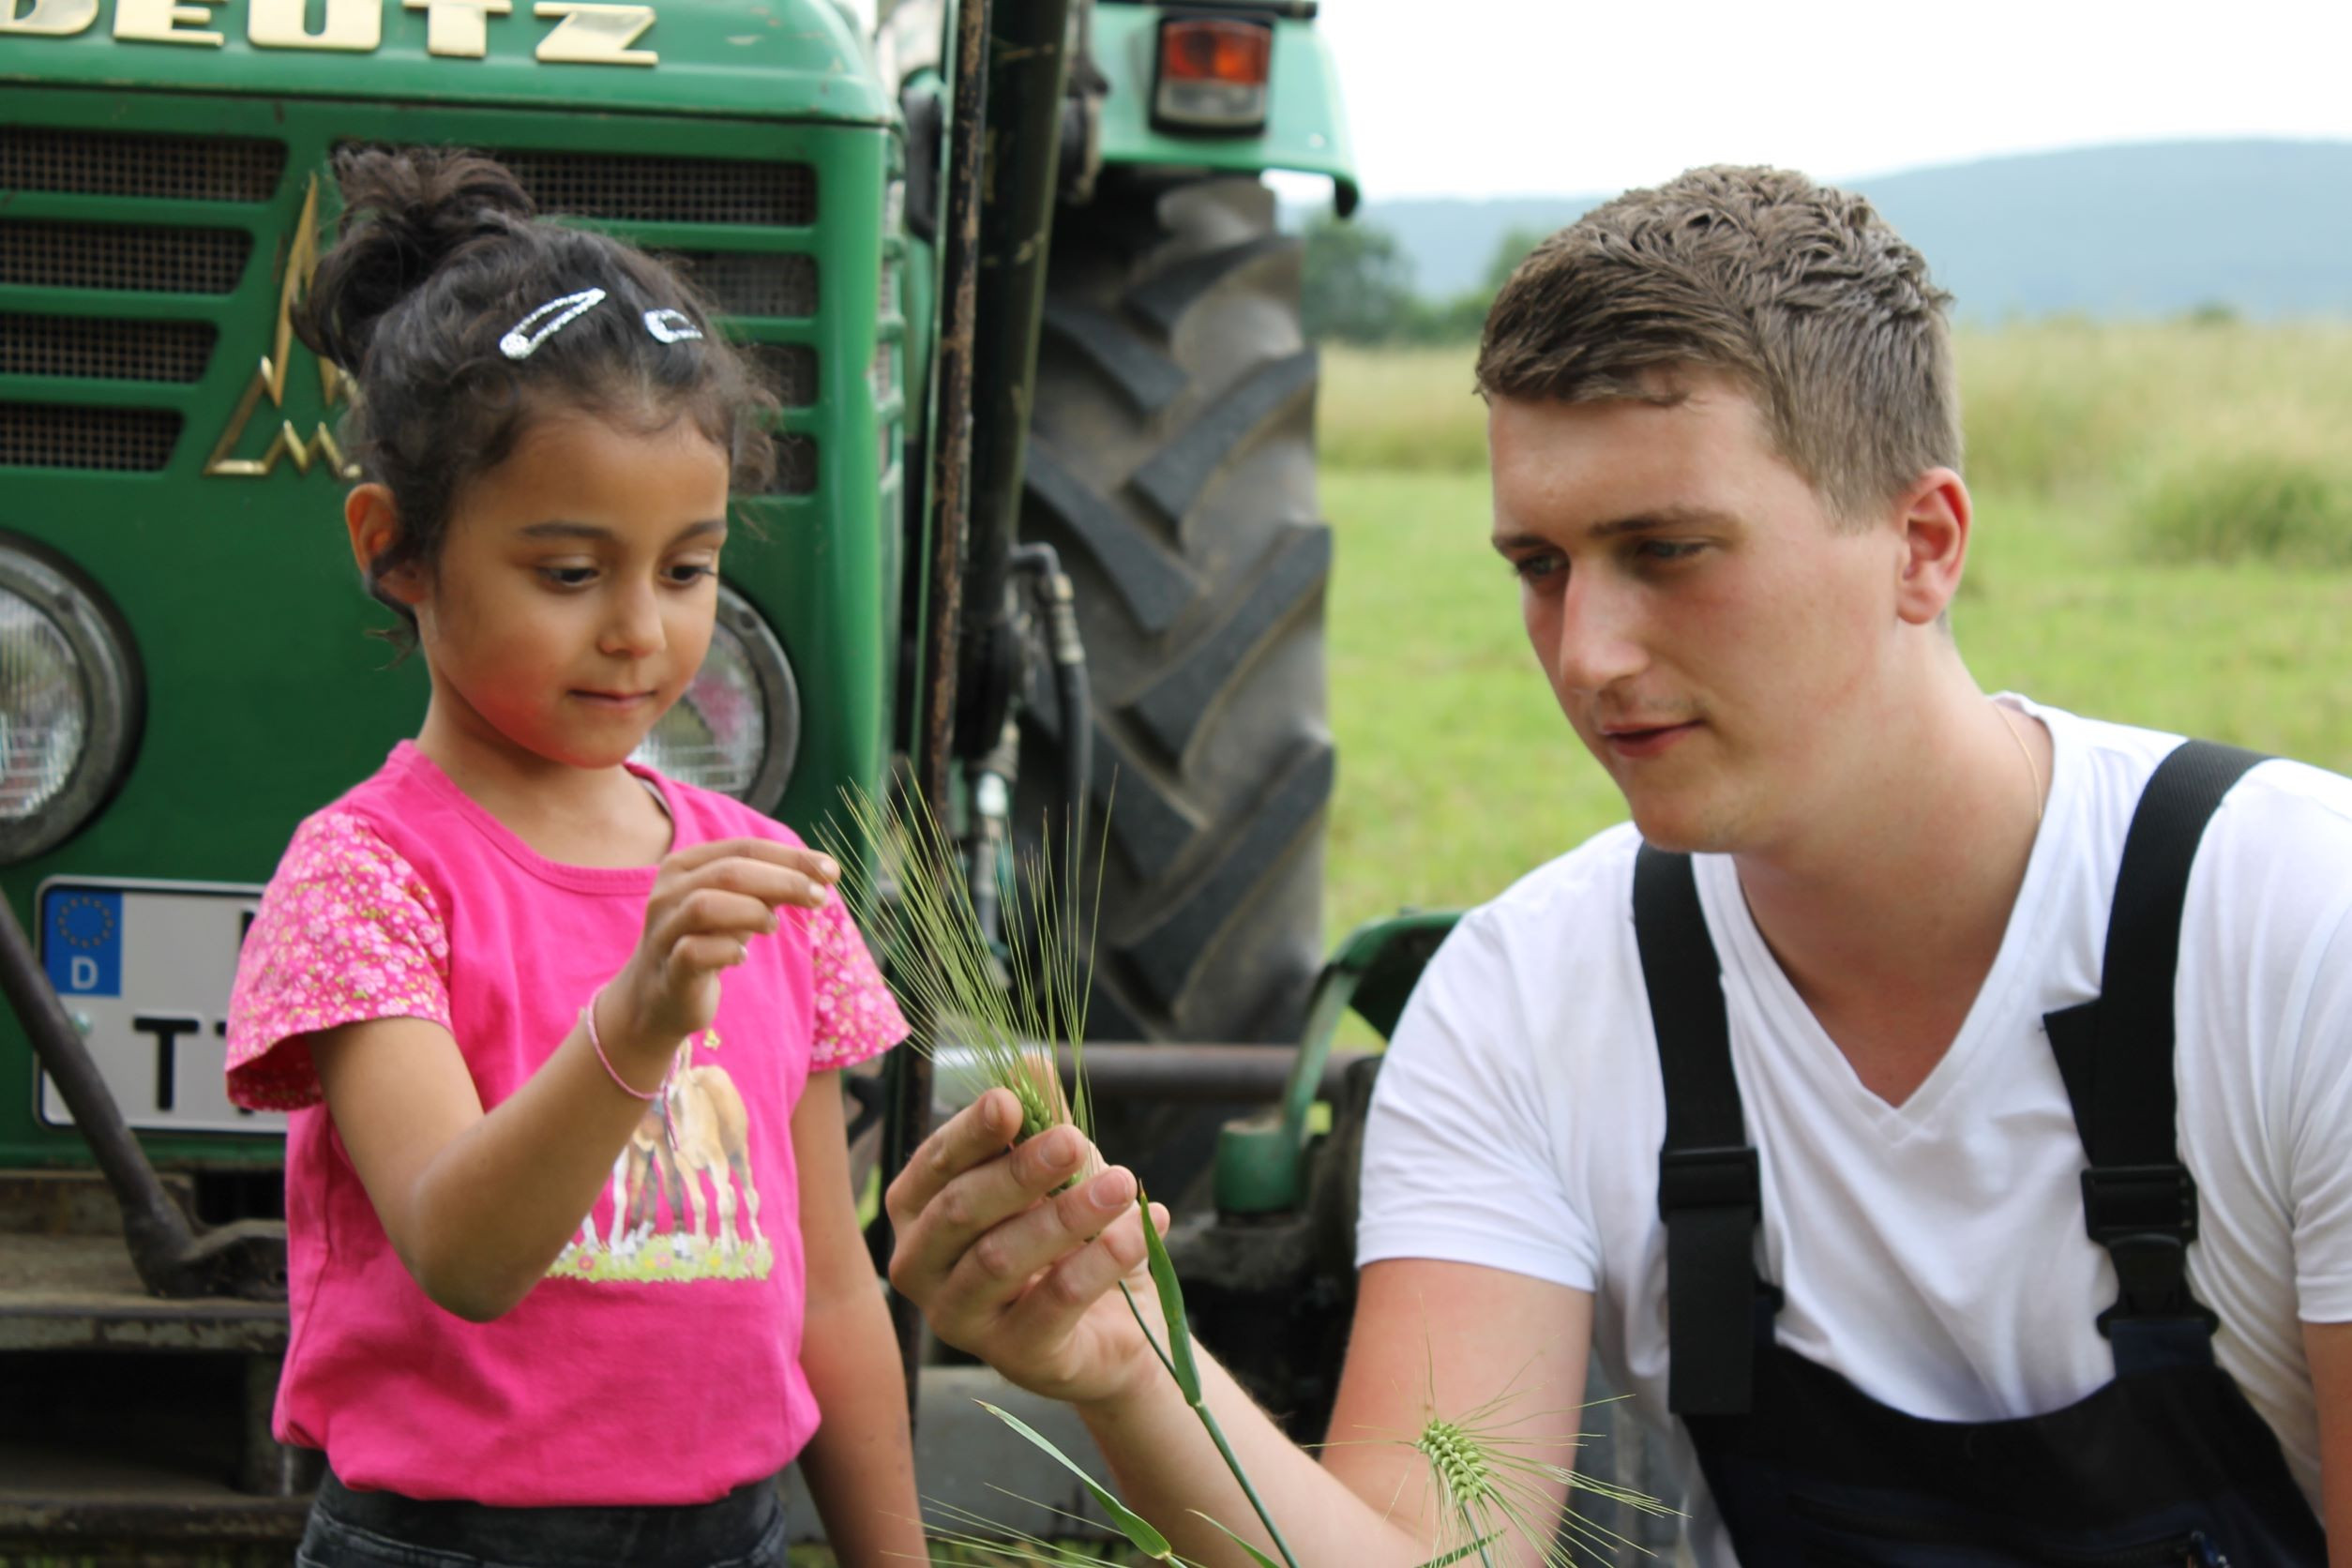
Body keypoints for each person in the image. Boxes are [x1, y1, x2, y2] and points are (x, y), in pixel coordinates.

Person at [882, 165, 2352, 1564]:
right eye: (1541, 567)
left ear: (1923, 542)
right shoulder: (1526, 1000)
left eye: (1670, 550)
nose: (1587, 656)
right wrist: (1133, 1365)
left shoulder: (2296, 930)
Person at [222, 147, 923, 1568]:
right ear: (397, 550)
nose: (641, 632)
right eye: (567, 573)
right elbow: (461, 1256)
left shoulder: (761, 876)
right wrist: (642, 1013)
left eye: (687, 569)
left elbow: (832, 1298)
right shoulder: (367, 878)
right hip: (446, 1547)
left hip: (735, 1537)